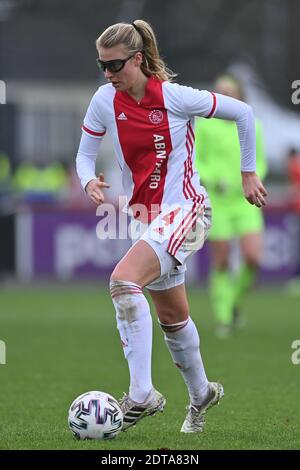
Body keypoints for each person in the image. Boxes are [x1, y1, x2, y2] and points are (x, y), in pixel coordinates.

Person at [76, 20, 267, 433]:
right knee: (173, 317)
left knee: (123, 282)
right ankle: (201, 394)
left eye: (115, 66)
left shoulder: (177, 98)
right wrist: (87, 179)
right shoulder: (104, 100)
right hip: (146, 218)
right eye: (101, 66)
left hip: (190, 212)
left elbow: (244, 113)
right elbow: (84, 154)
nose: (107, 75)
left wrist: (247, 172)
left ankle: (142, 393)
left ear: (138, 59)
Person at [195, 74, 268, 338]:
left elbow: (261, 162)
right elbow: (196, 161)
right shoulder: (205, 126)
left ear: (239, 96)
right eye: (220, 92)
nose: (225, 96)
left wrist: (249, 179)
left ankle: (234, 301)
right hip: (218, 201)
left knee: (253, 257)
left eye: (230, 92)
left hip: (245, 200)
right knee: (222, 259)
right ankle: (224, 316)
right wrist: (215, 180)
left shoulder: (252, 125)